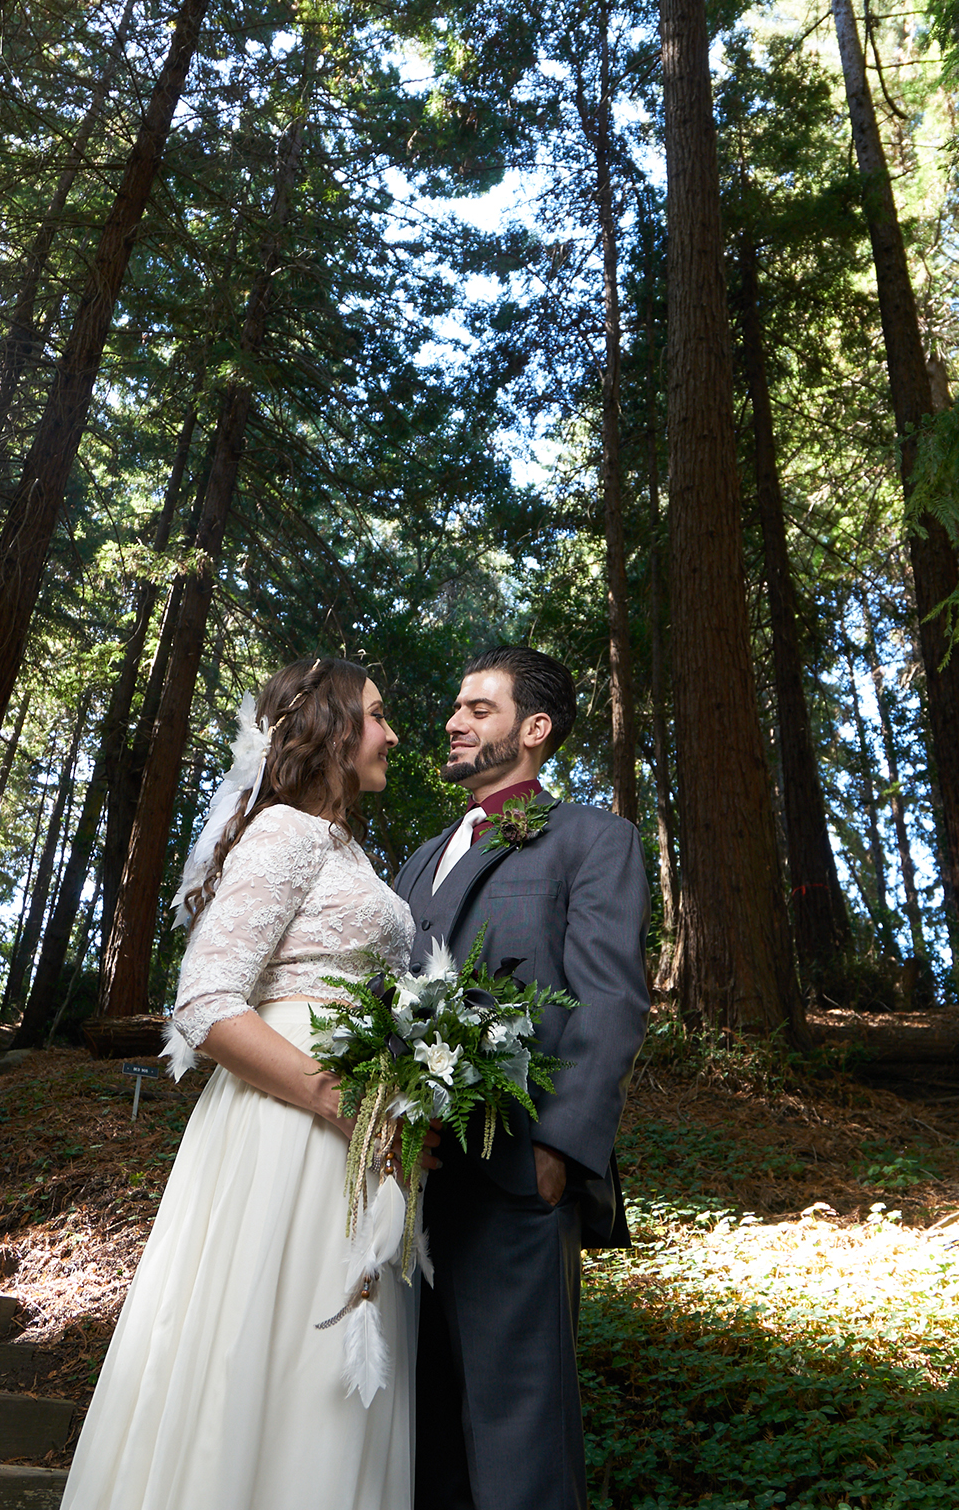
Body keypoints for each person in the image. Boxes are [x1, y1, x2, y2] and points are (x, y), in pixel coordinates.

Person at [58, 656, 417, 1510]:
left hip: (352, 1131)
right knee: (271, 1342)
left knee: (330, 1363)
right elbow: (207, 1001)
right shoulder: (286, 831)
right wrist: (332, 1093)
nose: (392, 733)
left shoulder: (345, 849)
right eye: (375, 715)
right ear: (330, 728)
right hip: (289, 1122)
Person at [395, 644, 651, 1510]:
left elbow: (609, 999)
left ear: (534, 729)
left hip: (517, 1184)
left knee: (520, 1443)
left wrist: (558, 1152)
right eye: (457, 707)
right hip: (405, 1192)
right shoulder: (419, 856)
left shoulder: (593, 839)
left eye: (479, 709)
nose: (454, 721)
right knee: (417, 1441)